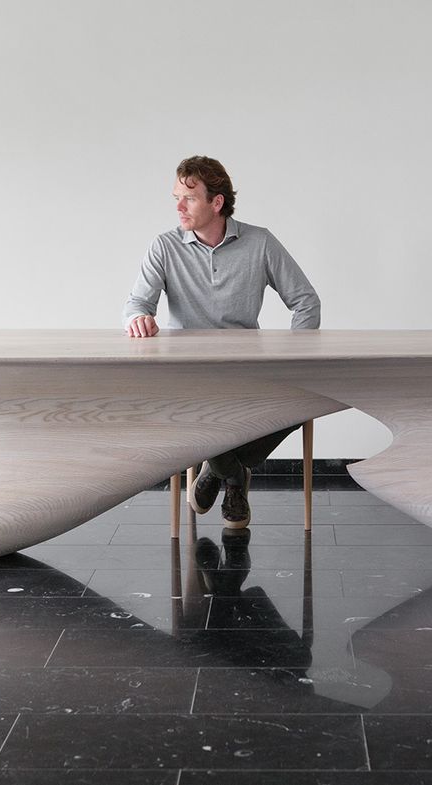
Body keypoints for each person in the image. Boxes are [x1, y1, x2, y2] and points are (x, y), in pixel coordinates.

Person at [123, 155, 320, 529]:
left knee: (306, 397)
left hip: (248, 369)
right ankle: (234, 477)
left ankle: (218, 471)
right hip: (187, 372)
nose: (179, 206)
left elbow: (306, 301)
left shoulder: (259, 242)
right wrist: (138, 318)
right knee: (200, 411)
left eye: (190, 197)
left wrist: (298, 353)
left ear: (217, 202)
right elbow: (136, 303)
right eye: (176, 197)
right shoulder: (164, 247)